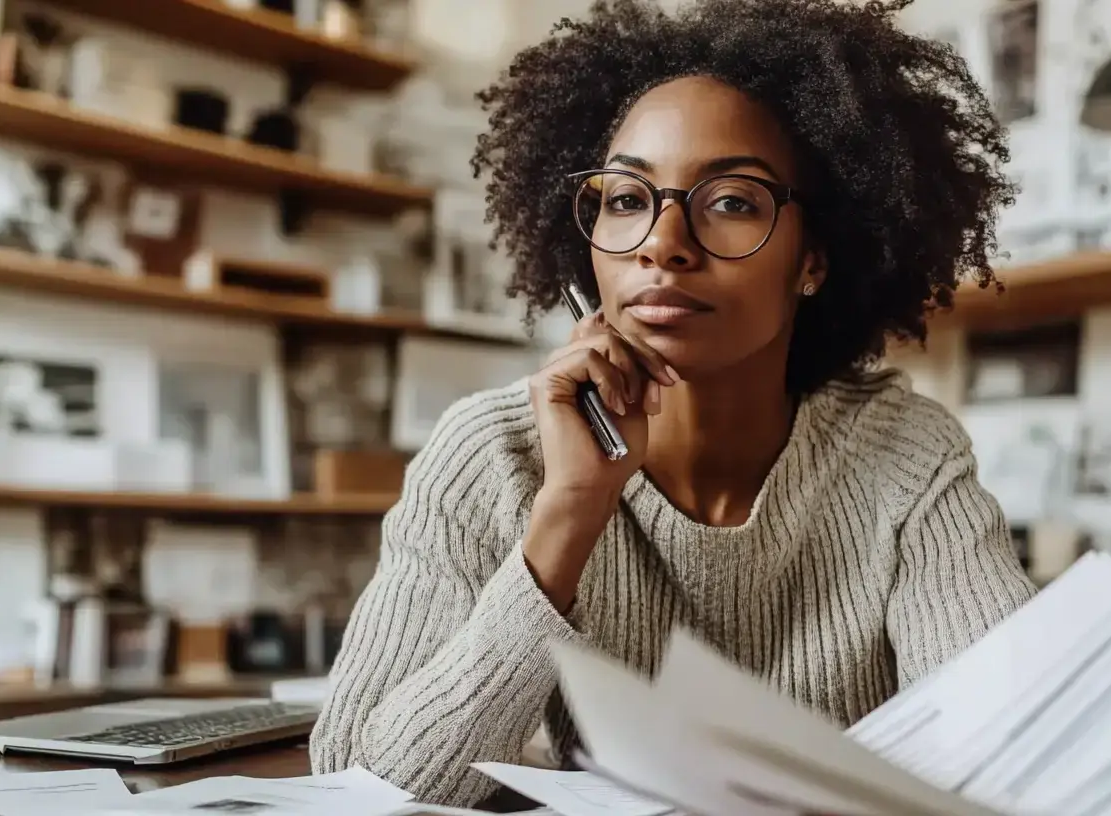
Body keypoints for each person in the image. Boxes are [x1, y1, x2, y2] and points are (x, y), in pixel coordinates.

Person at [312, 0, 1036, 806]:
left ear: (814, 260)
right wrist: (569, 513)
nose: (663, 241)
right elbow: (352, 787)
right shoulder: (491, 453)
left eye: (732, 201)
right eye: (627, 199)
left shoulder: (905, 452)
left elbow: (1009, 750)